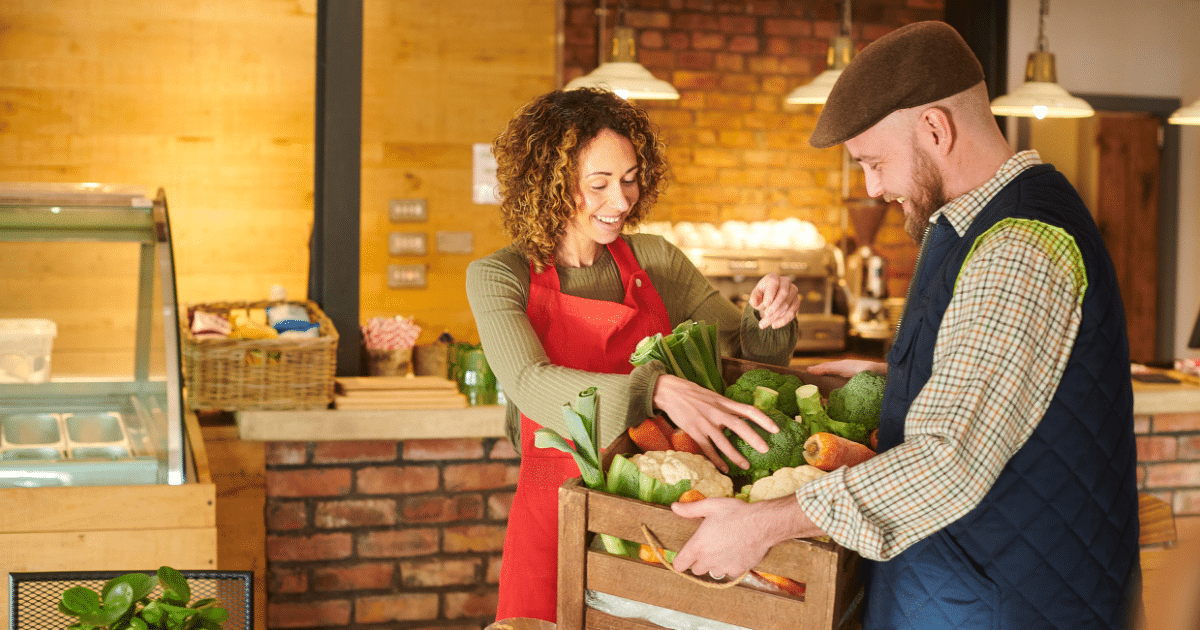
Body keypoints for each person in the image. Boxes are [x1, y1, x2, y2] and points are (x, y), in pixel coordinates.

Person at [669, 21, 1141, 630]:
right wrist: (904, 379)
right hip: (967, 597)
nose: (874, 187)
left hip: (1009, 608)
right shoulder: (972, 226)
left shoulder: (1016, 245)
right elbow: (1004, 402)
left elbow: (948, 460)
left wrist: (764, 524)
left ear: (935, 128)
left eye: (875, 161)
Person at [465, 87, 802, 623]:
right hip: (553, 510)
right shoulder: (498, 275)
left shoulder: (656, 261)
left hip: (656, 523)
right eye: (598, 185)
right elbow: (529, 380)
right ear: (548, 187)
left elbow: (742, 347)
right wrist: (653, 388)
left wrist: (769, 315)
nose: (621, 202)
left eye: (629, 180)